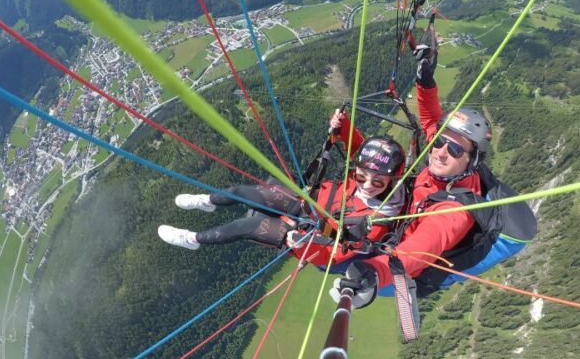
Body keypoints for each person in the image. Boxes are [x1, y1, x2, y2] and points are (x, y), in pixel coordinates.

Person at [331, 44, 537, 309]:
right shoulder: (446, 162)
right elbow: (431, 119)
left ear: (471, 160)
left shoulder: (454, 211)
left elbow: (422, 248)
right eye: (439, 141)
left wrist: (375, 272)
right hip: (401, 228)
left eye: (454, 149)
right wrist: (425, 81)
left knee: (326, 255)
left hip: (399, 269)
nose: (439, 152)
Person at [157, 114, 408, 269]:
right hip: (308, 203)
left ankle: (193, 239)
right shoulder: (374, 172)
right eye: (361, 176)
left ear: (392, 180)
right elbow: (360, 148)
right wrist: (342, 127)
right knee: (242, 191)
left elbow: (344, 249)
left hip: (312, 236)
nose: (366, 184)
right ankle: (208, 201)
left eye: (377, 182)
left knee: (246, 225)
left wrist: (300, 243)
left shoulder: (378, 219)